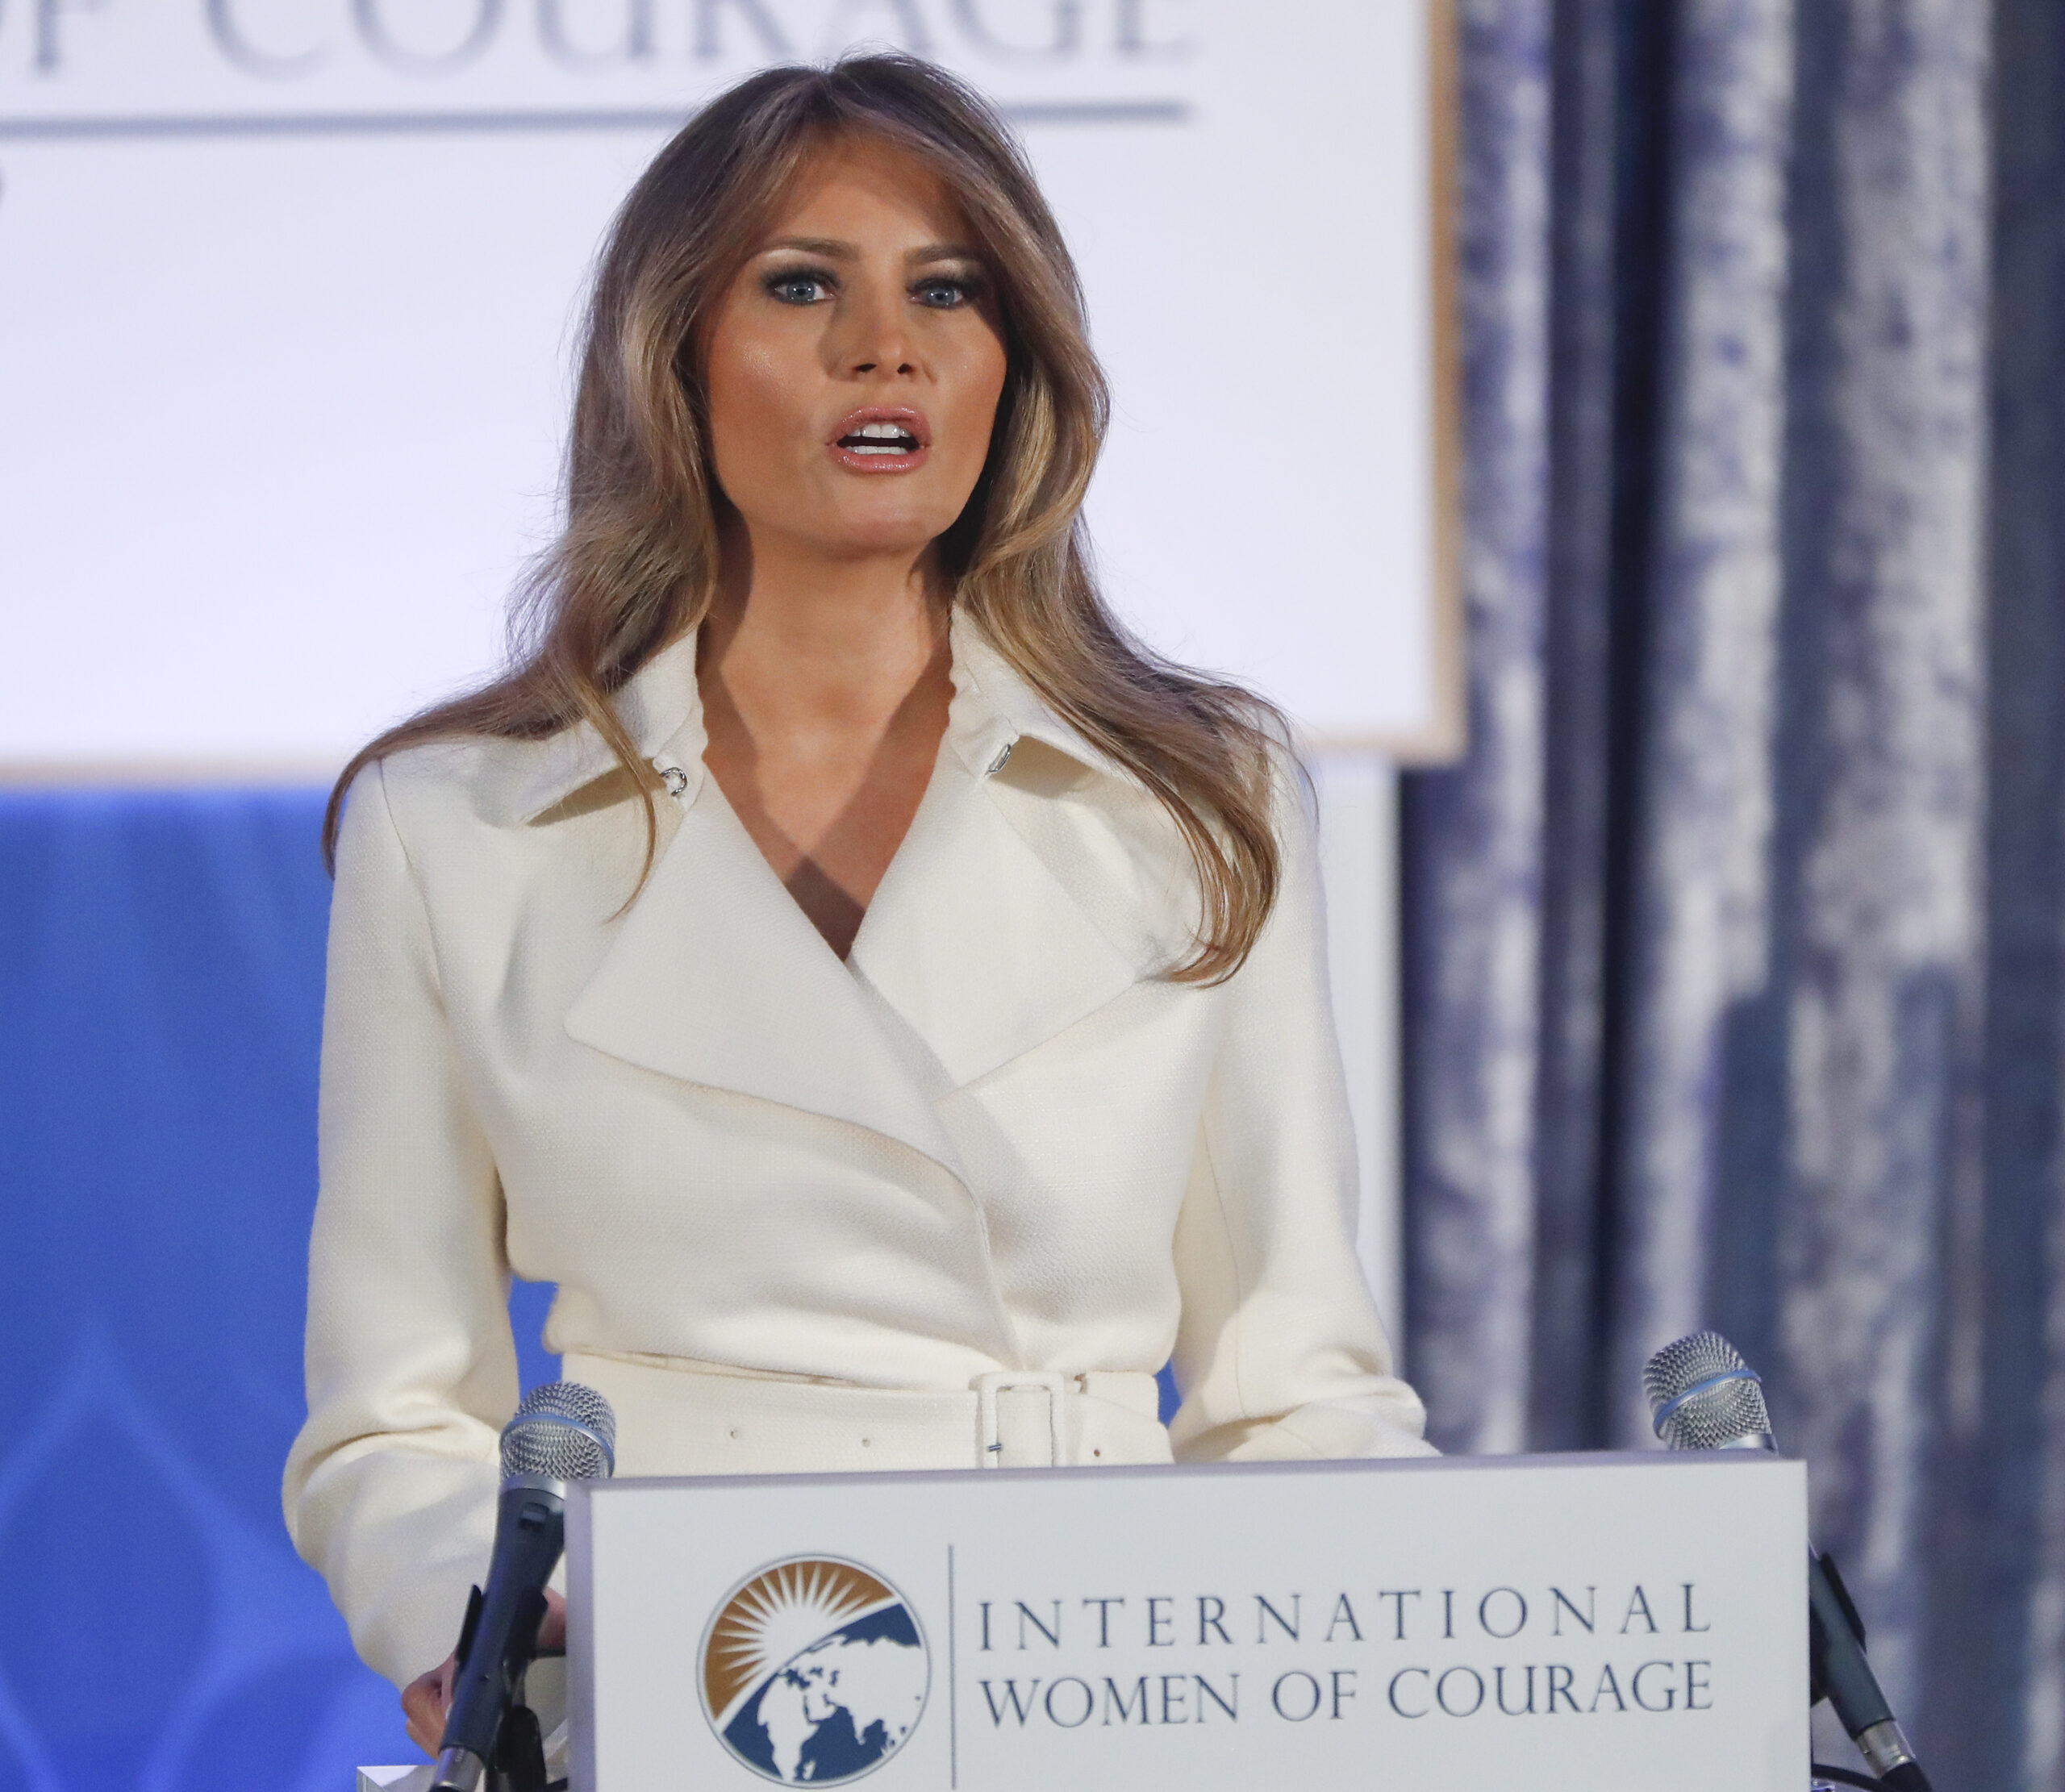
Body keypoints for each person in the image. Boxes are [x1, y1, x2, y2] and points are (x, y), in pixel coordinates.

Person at [282, 52, 1431, 1757]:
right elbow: (394, 1413)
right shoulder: (456, 824)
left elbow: (1295, 1393)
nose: (885, 348)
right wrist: (492, 1611)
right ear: (671, 354)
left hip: (1099, 1679)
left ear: (1012, 364)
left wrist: (1383, 1687)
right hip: (687, 1678)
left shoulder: (1201, 794)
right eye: (803, 284)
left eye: (946, 290)